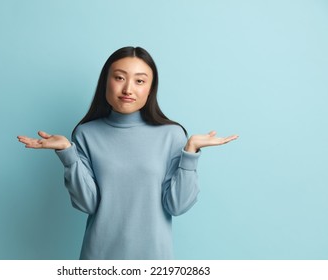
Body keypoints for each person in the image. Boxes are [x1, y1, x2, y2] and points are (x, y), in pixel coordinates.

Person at [17, 46, 238, 260]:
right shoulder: (86, 134)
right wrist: (68, 153)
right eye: (119, 78)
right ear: (106, 82)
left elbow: (177, 206)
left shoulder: (172, 135)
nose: (128, 89)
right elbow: (88, 204)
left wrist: (191, 153)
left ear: (151, 88)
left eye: (140, 81)